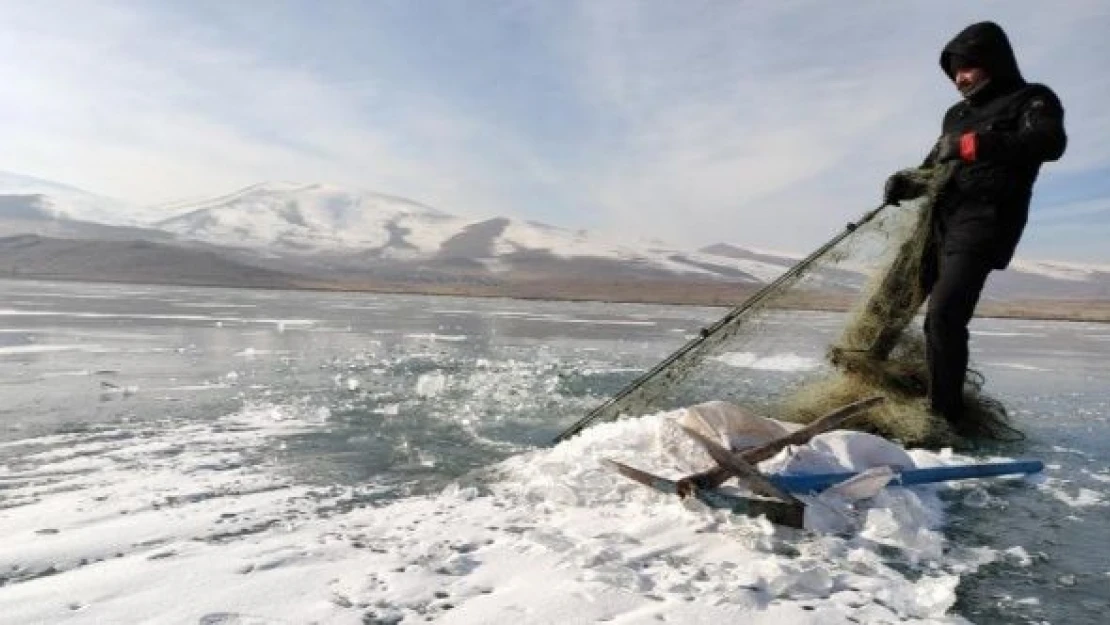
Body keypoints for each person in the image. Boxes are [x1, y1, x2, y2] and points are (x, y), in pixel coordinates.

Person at [883, 22, 1067, 435]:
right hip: (939, 220)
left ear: (992, 62)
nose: (959, 79)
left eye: (967, 68)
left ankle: (943, 418)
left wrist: (972, 145)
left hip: (986, 221)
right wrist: (906, 183)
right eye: (953, 72)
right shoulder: (956, 114)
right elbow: (933, 168)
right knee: (892, 302)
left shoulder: (1032, 98)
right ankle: (865, 380)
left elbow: (1050, 142)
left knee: (945, 314)